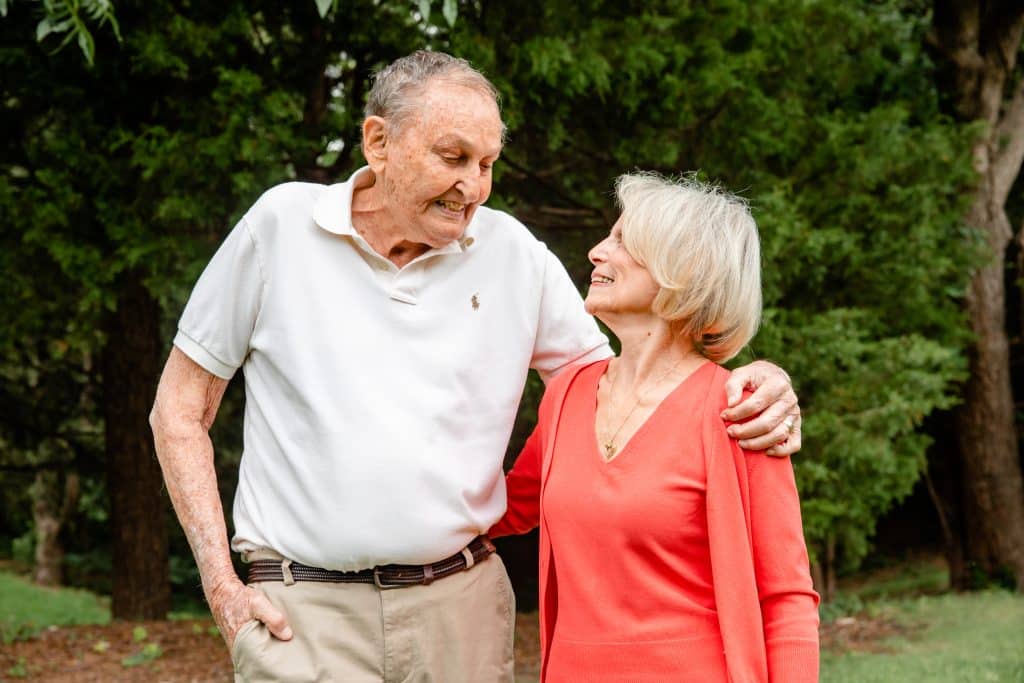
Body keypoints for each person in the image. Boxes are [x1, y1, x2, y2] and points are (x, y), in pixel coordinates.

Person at [149, 51, 803, 682]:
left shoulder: (512, 254)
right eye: (454, 157)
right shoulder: (281, 225)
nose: (474, 187)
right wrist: (221, 585)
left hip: (458, 612)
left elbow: (645, 385)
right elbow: (179, 409)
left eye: (487, 163)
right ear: (378, 143)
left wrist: (758, 377)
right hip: (302, 612)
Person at [491, 173, 820, 682]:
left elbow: (786, 595)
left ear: (682, 269)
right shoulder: (566, 394)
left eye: (622, 240)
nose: (598, 251)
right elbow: (500, 510)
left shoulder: (740, 408)